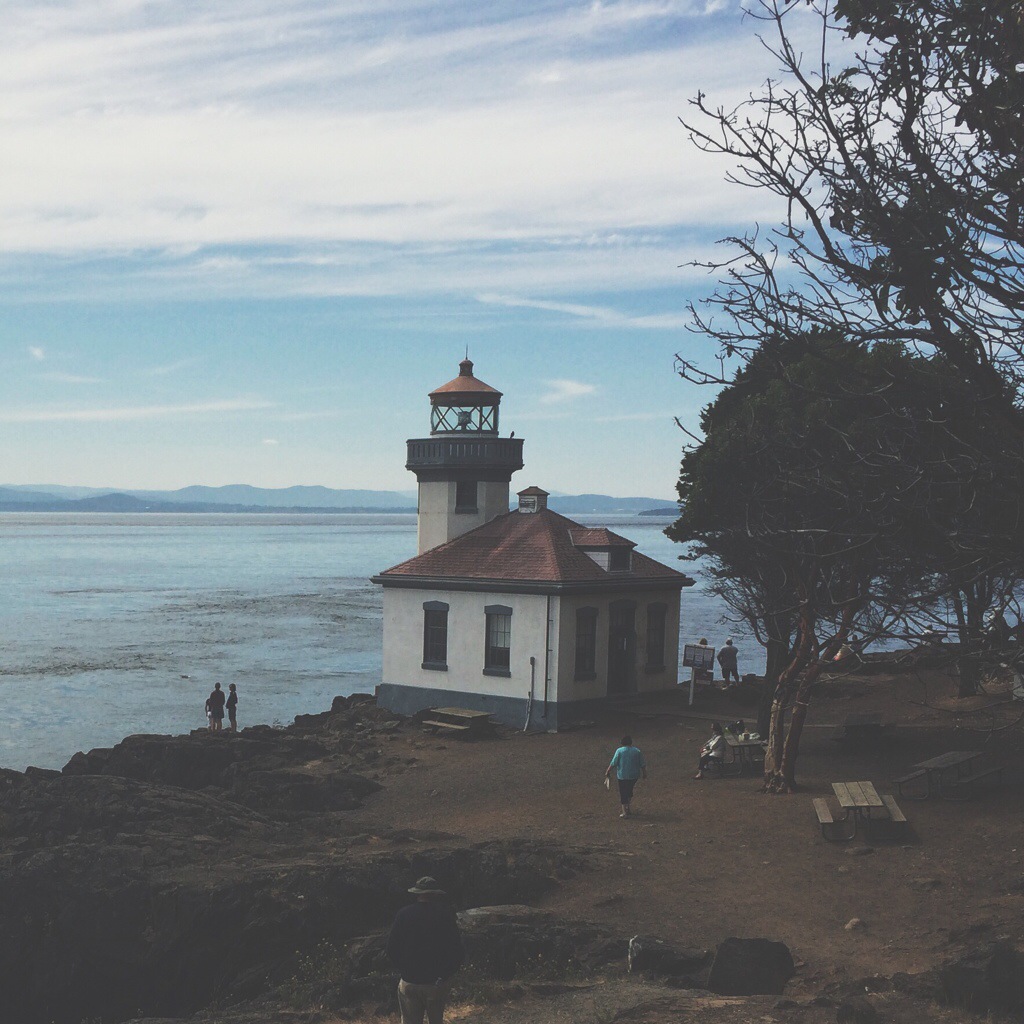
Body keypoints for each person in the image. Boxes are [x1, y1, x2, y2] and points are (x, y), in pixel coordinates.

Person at [386, 876, 464, 1024]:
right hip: (436, 982)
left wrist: (404, 969)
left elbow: (391, 948)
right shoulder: (445, 915)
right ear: (435, 894)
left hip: (410, 980)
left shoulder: (403, 914)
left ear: (417, 893)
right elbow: (457, 950)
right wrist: (445, 974)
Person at [604, 735, 647, 818]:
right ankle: (628, 808)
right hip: (634, 775)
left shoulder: (619, 751)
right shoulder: (637, 751)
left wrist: (608, 771)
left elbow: (614, 762)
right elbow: (642, 763)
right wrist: (644, 773)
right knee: (629, 791)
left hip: (622, 775)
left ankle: (624, 812)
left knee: (623, 792)